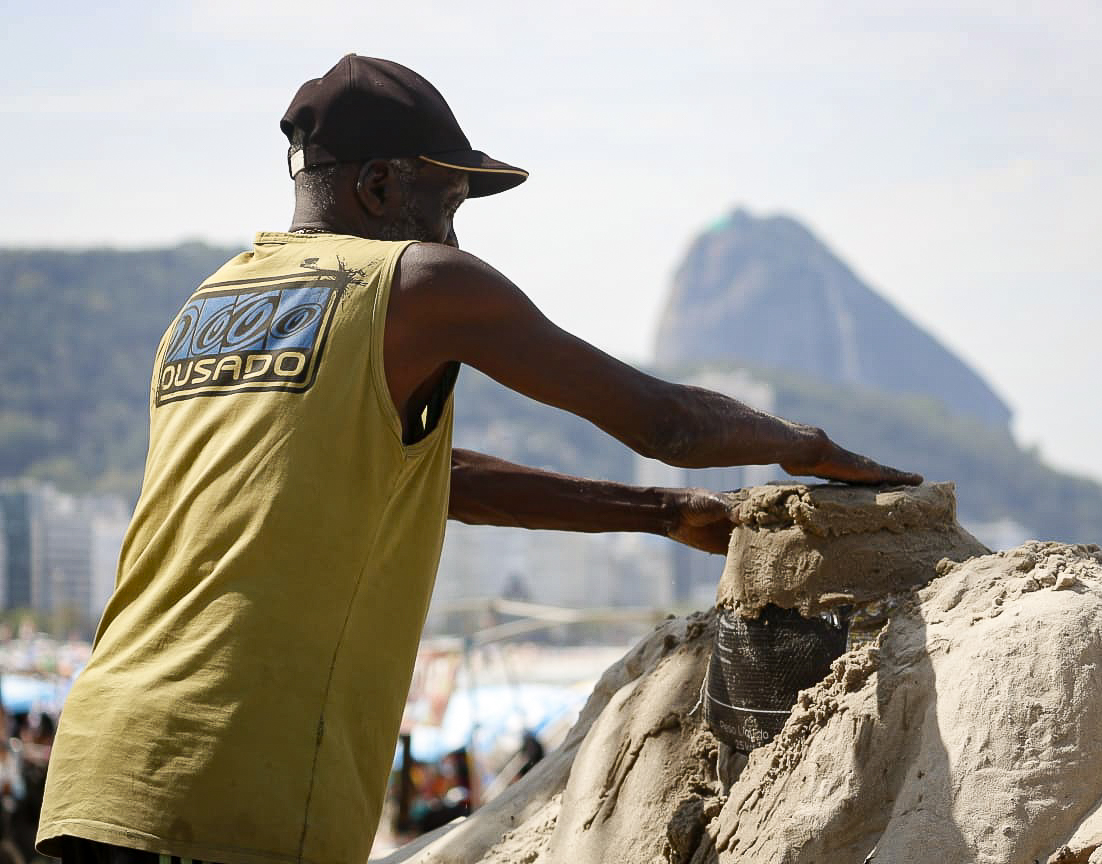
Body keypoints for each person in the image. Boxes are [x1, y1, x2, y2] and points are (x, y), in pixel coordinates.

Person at [37, 55, 921, 864]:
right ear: (380, 186)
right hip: (227, 780)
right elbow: (667, 425)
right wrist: (810, 447)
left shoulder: (206, 306)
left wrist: (659, 514)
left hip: (98, 765)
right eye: (449, 205)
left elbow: (432, 477)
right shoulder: (419, 282)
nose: (454, 238)